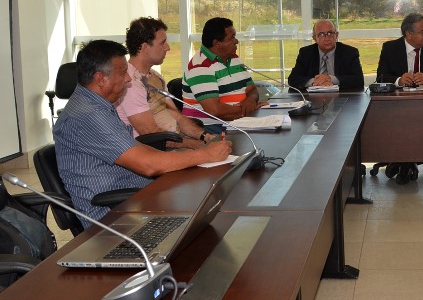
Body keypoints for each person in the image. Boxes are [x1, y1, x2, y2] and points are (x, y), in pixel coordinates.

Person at [53, 40, 232, 227]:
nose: (128, 79)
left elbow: (135, 147)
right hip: (114, 218)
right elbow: (147, 165)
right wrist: (205, 155)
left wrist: (190, 156)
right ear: (100, 79)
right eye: (123, 73)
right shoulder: (88, 115)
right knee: (205, 220)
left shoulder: (96, 104)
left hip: (137, 199)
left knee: (203, 205)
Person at [117, 17, 214, 149]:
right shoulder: (130, 83)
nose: (167, 48)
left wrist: (205, 137)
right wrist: (197, 146)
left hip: (175, 143)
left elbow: (177, 116)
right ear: (145, 47)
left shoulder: (155, 77)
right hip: (154, 151)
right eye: (162, 43)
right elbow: (151, 134)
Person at [375, 12, 423, 184]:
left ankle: (404, 162)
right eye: (422, 32)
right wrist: (399, 80)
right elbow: (381, 77)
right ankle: (405, 161)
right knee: (402, 122)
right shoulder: (390, 48)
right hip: (397, 107)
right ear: (409, 34)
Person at [182, 17, 265, 124]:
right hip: (210, 129)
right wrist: (248, 111)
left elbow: (252, 90)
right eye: (232, 38)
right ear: (217, 43)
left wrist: (250, 101)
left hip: (239, 121)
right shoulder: (200, 67)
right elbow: (214, 111)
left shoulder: (234, 58)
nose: (236, 41)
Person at [287, 19, 364, 90]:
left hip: (342, 98)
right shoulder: (306, 53)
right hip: (312, 99)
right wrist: (315, 82)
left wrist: (331, 79)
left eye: (330, 33)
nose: (327, 38)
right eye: (321, 34)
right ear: (314, 38)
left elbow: (358, 80)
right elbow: (293, 79)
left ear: (336, 35)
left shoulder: (349, 52)